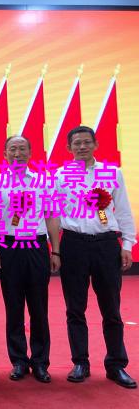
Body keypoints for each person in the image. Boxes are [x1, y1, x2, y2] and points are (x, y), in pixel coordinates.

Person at [56, 126, 136, 388]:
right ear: (69, 148)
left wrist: (127, 244)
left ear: (95, 144)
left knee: (111, 308)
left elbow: (122, 210)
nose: (82, 147)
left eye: (86, 142)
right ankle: (80, 362)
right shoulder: (60, 175)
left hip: (105, 244)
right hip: (73, 244)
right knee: (75, 308)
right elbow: (53, 214)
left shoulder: (112, 172)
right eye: (76, 143)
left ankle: (116, 365)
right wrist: (55, 249)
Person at [0, 136, 60, 383]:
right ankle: (19, 361)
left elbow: (51, 216)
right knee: (14, 306)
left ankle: (40, 362)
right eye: (13, 149)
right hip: (8, 247)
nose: (17, 154)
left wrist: (55, 250)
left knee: (39, 307)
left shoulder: (43, 182)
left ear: (30, 153)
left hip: (36, 245)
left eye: (22, 149)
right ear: (5, 154)